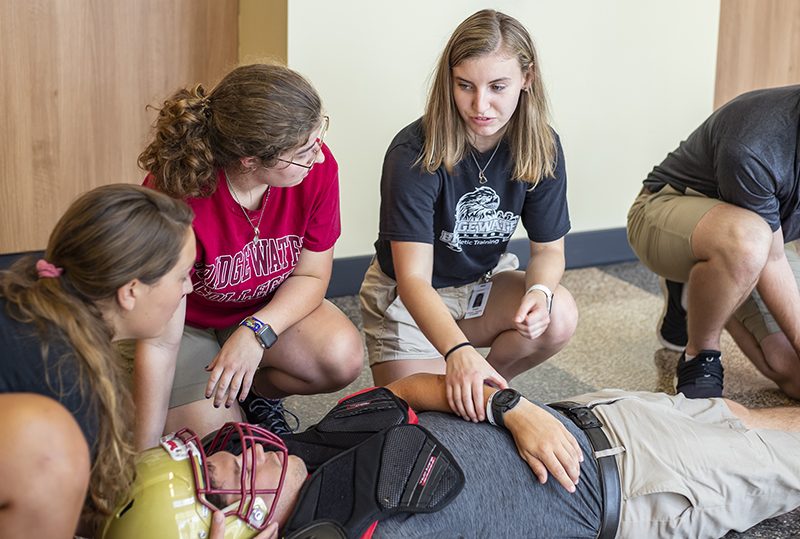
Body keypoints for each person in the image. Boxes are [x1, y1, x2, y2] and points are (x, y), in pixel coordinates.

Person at [101, 373, 800, 539]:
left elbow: (409, 387)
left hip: (589, 412)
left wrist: (509, 407)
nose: (245, 448)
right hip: (647, 484)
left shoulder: (308, 447)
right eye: (225, 473)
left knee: (745, 413)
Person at [359, 9, 578, 423]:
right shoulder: (413, 151)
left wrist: (540, 293)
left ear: (526, 79)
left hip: (480, 288)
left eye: (498, 87)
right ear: (450, 80)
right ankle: (473, 379)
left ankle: (494, 381)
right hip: (410, 298)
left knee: (560, 312)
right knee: (428, 419)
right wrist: (458, 353)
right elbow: (413, 280)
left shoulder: (541, 145)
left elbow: (549, 249)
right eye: (465, 86)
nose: (481, 106)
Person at [136, 63, 364, 450]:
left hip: (258, 310)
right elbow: (158, 340)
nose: (319, 158)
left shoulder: (317, 171)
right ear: (250, 161)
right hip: (185, 325)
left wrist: (255, 333)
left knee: (341, 356)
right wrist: (140, 452)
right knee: (227, 446)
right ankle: (213, 398)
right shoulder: (175, 195)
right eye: (304, 152)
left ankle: (252, 392)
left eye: (317, 140)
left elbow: (311, 276)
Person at [0, 184, 196, 537]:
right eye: (182, 276)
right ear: (131, 291)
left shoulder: (22, 287)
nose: (189, 289)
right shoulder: (69, 394)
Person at [628, 85, 800, 399]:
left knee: (792, 371)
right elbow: (772, 260)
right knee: (749, 241)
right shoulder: (756, 141)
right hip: (664, 209)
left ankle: (702, 290)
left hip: (758, 245)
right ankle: (701, 354)